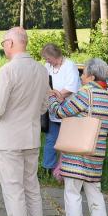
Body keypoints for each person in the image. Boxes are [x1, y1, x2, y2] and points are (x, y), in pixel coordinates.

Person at [0, 27, 49, 216]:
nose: (4, 46)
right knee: (32, 189)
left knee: (14, 191)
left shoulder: (8, 70)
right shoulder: (42, 71)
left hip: (9, 140)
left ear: (12, 43)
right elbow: (44, 106)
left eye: (4, 42)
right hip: (31, 137)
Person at [47, 58, 108, 216]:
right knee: (95, 193)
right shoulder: (105, 95)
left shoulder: (86, 93)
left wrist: (52, 98)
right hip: (96, 152)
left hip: (78, 153)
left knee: (72, 192)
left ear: (92, 76)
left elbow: (60, 112)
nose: (81, 77)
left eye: (83, 73)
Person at [40, 43, 81, 176]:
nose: (46, 61)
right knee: (51, 140)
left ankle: (65, 171)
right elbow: (45, 84)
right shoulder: (48, 67)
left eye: (47, 58)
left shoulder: (69, 66)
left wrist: (56, 96)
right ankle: (47, 168)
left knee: (66, 142)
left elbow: (70, 88)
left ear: (54, 55)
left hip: (67, 110)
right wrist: (50, 96)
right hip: (52, 110)